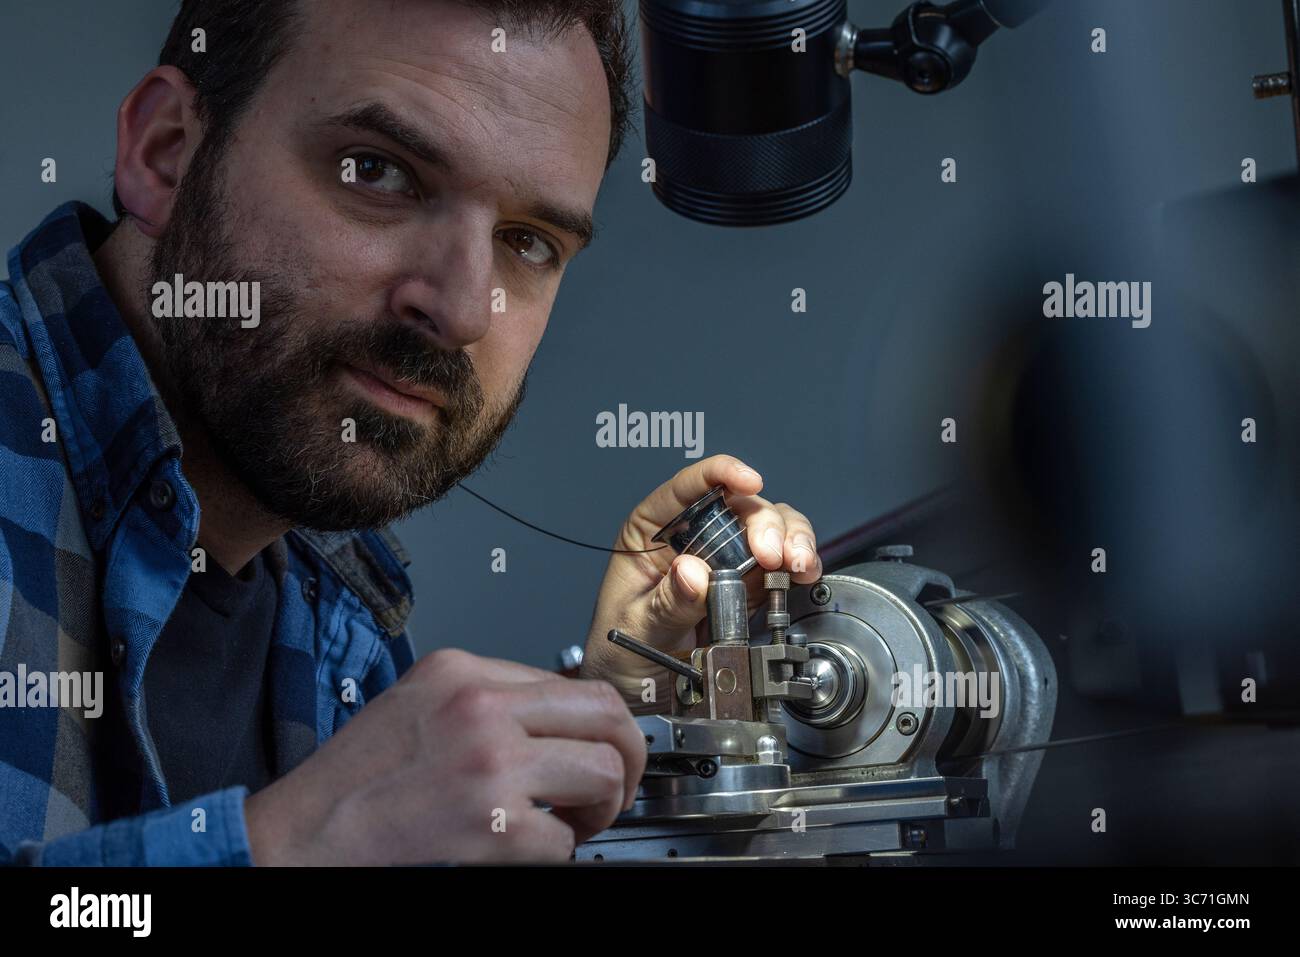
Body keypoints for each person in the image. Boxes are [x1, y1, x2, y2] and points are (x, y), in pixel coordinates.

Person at [0, 0, 822, 865]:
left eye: (528, 243)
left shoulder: (335, 590)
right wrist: (288, 850)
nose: (462, 308)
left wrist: (601, 732)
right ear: (165, 153)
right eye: (378, 172)